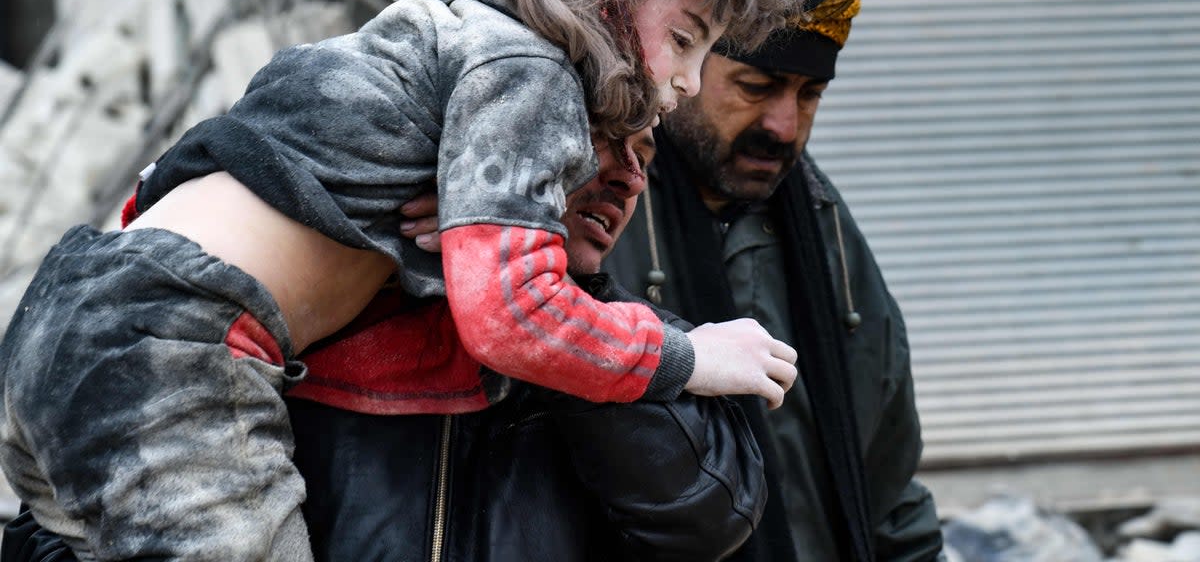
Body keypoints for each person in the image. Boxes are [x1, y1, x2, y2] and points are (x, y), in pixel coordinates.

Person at [0, 0, 802, 561]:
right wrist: (688, 356)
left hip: (68, 314)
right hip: (177, 347)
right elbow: (515, 317)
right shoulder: (528, 65)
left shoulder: (422, 40)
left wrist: (434, 242)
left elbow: (215, 159)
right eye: (687, 41)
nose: (685, 83)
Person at [3, 129, 777, 562]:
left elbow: (708, 516)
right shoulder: (302, 305)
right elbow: (75, 517)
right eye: (601, 139)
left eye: (645, 155)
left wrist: (561, 322)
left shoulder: (646, 340)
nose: (627, 178)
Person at [604, 0, 947, 562]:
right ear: (683, 64)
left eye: (809, 94)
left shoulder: (823, 228)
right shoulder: (592, 219)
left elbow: (887, 492)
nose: (784, 127)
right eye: (756, 87)